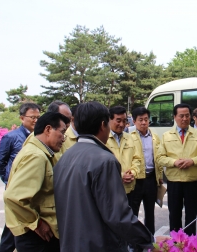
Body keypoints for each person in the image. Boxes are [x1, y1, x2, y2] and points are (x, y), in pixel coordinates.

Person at [53, 101, 167, 251]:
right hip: (99, 244)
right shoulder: (104, 160)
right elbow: (117, 215)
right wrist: (149, 239)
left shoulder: (65, 157)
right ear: (103, 125)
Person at [3, 112, 70, 252]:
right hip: (36, 236)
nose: (64, 139)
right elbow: (14, 197)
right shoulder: (36, 156)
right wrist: (37, 223)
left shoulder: (40, 152)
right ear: (48, 129)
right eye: (62, 132)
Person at [157, 103, 197, 236]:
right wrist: (174, 162)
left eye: (187, 116)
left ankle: (190, 245)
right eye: (181, 116)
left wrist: (192, 161)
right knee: (174, 214)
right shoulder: (166, 136)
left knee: (191, 215)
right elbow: (160, 158)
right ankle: (176, 244)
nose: (184, 119)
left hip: (193, 180)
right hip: (174, 181)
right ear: (175, 117)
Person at [0, 102, 41, 252]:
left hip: (32, 190)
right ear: (22, 118)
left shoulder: (39, 136)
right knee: (13, 227)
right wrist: (8, 180)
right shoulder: (11, 137)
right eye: (32, 117)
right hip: (15, 190)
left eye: (38, 117)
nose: (35, 120)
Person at [130, 107, 163, 238]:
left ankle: (150, 238)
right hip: (136, 180)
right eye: (140, 120)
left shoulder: (154, 137)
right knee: (133, 213)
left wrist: (159, 176)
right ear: (134, 121)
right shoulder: (129, 137)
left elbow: (158, 158)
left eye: (146, 119)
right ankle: (134, 242)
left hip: (151, 179)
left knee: (150, 212)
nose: (143, 123)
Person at [106, 106, 141, 202]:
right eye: (118, 120)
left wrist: (132, 173)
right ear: (109, 119)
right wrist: (121, 175)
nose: (122, 124)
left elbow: (137, 159)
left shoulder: (129, 138)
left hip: (130, 188)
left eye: (124, 121)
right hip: (111, 190)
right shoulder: (103, 139)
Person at [23, 100, 72, 165]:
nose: (67, 124)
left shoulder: (61, 137)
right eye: (63, 119)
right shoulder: (36, 139)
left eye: (69, 121)